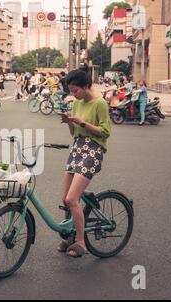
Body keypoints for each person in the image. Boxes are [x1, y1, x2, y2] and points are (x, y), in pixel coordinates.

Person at [58, 70, 111, 258]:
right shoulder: (76, 104)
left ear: (86, 86)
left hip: (93, 150)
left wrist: (82, 124)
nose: (74, 94)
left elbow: (105, 132)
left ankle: (81, 243)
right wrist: (69, 123)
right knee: (66, 200)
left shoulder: (100, 103)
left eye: (76, 90)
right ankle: (69, 237)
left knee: (72, 199)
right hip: (77, 148)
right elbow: (75, 134)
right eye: (71, 91)